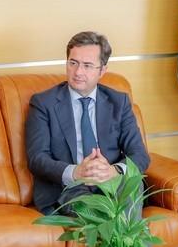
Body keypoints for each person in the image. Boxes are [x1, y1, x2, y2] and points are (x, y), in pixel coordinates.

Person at [25, 31, 150, 214]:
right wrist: (76, 172)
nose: (78, 72)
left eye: (87, 65)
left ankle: (124, 239)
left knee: (132, 186)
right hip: (69, 188)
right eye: (73, 63)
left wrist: (113, 171)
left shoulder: (118, 102)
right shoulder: (44, 103)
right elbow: (37, 158)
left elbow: (140, 154)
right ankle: (129, 242)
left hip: (110, 183)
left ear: (102, 70)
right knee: (108, 213)